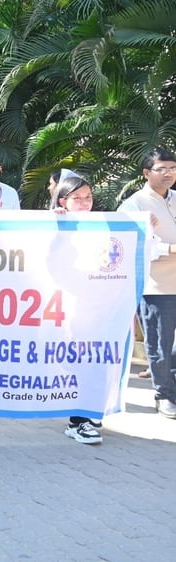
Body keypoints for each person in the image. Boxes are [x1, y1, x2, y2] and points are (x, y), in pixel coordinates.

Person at [118, 149, 176, 419]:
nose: (169, 173)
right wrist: (172, 248)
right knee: (159, 343)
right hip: (156, 286)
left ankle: (170, 387)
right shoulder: (134, 205)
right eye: (162, 169)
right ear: (146, 173)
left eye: (173, 168)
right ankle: (164, 395)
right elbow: (134, 243)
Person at [49, 171, 103, 443]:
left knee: (95, 359)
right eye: (77, 198)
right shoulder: (53, 226)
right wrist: (55, 229)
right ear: (62, 201)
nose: (84, 203)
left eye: (88, 198)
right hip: (66, 306)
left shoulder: (101, 225)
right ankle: (77, 421)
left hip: (96, 306)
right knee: (79, 360)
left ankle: (88, 409)